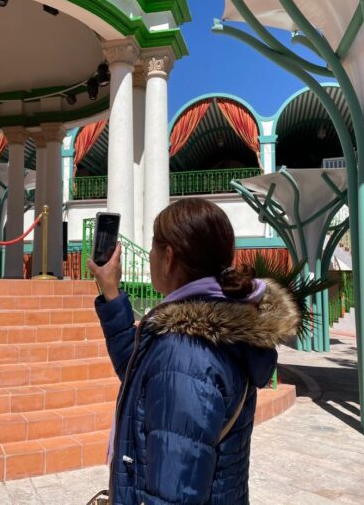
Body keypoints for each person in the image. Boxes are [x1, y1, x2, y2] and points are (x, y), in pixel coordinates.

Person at [87, 198, 301, 505]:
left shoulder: (184, 351)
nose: (149, 254)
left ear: (168, 257)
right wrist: (111, 293)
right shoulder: (218, 327)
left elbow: (175, 491)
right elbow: (141, 376)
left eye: (153, 245)